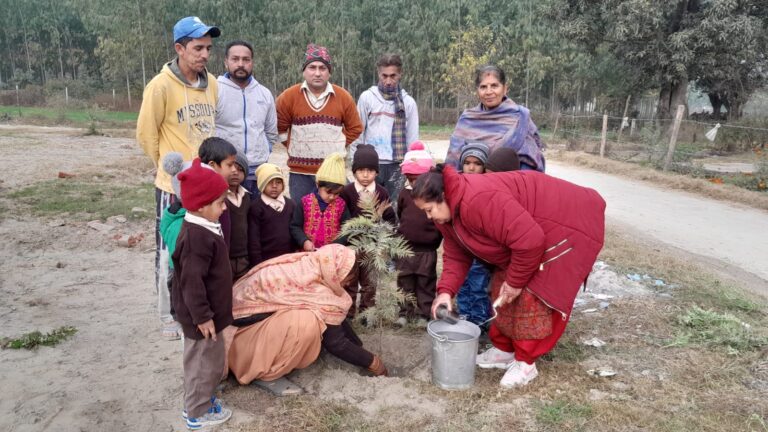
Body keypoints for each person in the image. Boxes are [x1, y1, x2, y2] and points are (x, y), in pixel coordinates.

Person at [412, 164, 605, 388]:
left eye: (429, 209)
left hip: (567, 225)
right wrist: (446, 292)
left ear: (444, 196)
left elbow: (531, 241)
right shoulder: (448, 216)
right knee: (500, 290)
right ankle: (504, 350)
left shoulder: (478, 201)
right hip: (527, 234)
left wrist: (515, 283)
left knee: (531, 296)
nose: (428, 217)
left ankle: (526, 363)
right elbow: (456, 254)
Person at [137, 16, 220, 340]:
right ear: (179, 48)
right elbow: (146, 134)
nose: (205, 55)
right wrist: (167, 169)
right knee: (170, 250)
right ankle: (168, 315)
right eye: (198, 48)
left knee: (201, 248)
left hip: (206, 186)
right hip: (174, 186)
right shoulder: (160, 86)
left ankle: (195, 308)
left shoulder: (212, 85)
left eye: (208, 48)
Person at [224, 244, 387, 396]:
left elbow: (335, 316)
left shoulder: (311, 266)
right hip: (240, 340)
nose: (349, 282)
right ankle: (266, 372)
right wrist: (373, 363)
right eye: (348, 276)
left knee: (312, 315)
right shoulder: (313, 288)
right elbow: (335, 342)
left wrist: (357, 345)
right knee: (307, 322)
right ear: (334, 270)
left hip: (245, 325)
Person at [171, 158, 233, 430]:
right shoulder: (196, 238)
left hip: (209, 314)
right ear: (200, 206)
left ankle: (204, 398)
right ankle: (196, 412)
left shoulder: (205, 225)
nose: (224, 207)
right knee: (200, 362)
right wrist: (203, 316)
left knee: (211, 360)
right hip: (201, 318)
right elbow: (191, 283)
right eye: (220, 203)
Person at [276, 43, 363, 200]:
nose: (317, 73)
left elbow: (355, 128)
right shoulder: (288, 97)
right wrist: (294, 145)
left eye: (322, 68)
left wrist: (336, 144)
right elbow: (279, 128)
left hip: (333, 172)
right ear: (304, 71)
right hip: (300, 174)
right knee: (302, 212)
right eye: (312, 67)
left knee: (337, 211)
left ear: (329, 72)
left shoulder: (343, 97)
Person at [445, 65, 545, 173]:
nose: (488, 92)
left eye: (494, 86)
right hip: (468, 181)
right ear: (477, 91)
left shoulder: (520, 117)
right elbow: (453, 161)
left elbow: (530, 160)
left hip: (508, 181)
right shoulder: (467, 119)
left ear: (505, 89)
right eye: (483, 87)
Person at [352, 53, 419, 202]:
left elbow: (413, 139)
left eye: (393, 76)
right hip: (371, 164)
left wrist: (411, 166)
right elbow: (358, 133)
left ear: (400, 75)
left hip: (397, 165)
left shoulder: (408, 103)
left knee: (394, 207)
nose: (388, 81)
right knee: (369, 206)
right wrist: (356, 163)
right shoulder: (367, 98)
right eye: (384, 76)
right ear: (378, 74)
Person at [339, 144, 396, 318]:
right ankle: (347, 313)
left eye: (370, 170)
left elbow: (390, 218)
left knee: (370, 282)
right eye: (361, 170)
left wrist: (384, 240)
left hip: (372, 247)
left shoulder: (382, 192)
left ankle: (366, 313)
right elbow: (341, 219)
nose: (365, 175)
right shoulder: (346, 192)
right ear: (354, 171)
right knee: (349, 281)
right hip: (351, 246)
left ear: (377, 172)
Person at [215, 40, 278, 192]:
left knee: (257, 208)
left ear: (252, 62)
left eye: (246, 59)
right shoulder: (215, 90)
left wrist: (263, 152)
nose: (241, 64)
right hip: (224, 171)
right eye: (235, 59)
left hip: (257, 172)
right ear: (226, 62)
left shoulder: (264, 93)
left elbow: (271, 132)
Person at [394, 141, 440, 325]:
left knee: (425, 282)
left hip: (427, 249)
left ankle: (424, 313)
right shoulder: (404, 193)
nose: (414, 183)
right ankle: (405, 312)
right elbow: (400, 214)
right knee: (404, 280)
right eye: (410, 179)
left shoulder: (434, 195)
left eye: (418, 179)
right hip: (405, 248)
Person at [455, 143, 493, 328]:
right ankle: (464, 314)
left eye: (477, 164)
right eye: (467, 163)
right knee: (462, 282)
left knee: (478, 285)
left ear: (484, 166)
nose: (471, 167)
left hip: (480, 248)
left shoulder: (488, 188)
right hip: (461, 246)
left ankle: (479, 320)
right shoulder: (456, 186)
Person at [290, 153, 351, 252]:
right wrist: (304, 241)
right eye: (328, 192)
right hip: (308, 253)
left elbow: (347, 230)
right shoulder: (305, 202)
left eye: (337, 193)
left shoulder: (341, 205)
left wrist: (335, 245)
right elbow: (295, 226)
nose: (332, 197)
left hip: (332, 254)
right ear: (318, 184)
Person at [248, 163, 296, 267]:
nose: (274, 186)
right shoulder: (256, 207)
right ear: (261, 184)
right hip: (266, 261)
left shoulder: (291, 204)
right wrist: (258, 264)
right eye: (269, 182)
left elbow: (295, 230)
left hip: (288, 259)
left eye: (278, 182)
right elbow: (254, 239)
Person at [198, 137, 239, 246]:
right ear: (212, 165)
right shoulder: (204, 199)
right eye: (229, 165)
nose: (234, 170)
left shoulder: (222, 192)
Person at [226, 152, 251, 280]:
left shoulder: (247, 197)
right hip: (226, 256)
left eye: (240, 169)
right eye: (231, 168)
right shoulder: (219, 198)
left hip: (244, 256)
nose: (235, 172)